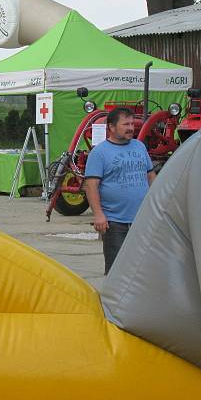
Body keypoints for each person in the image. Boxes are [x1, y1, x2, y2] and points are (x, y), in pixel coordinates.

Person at [83, 107, 156, 275]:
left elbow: (151, 176)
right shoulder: (99, 153)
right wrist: (98, 214)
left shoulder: (139, 147)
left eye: (132, 123)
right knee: (116, 272)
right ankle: (111, 302)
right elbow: (91, 185)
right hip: (115, 222)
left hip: (142, 220)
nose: (131, 127)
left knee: (142, 270)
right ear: (111, 127)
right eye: (126, 124)